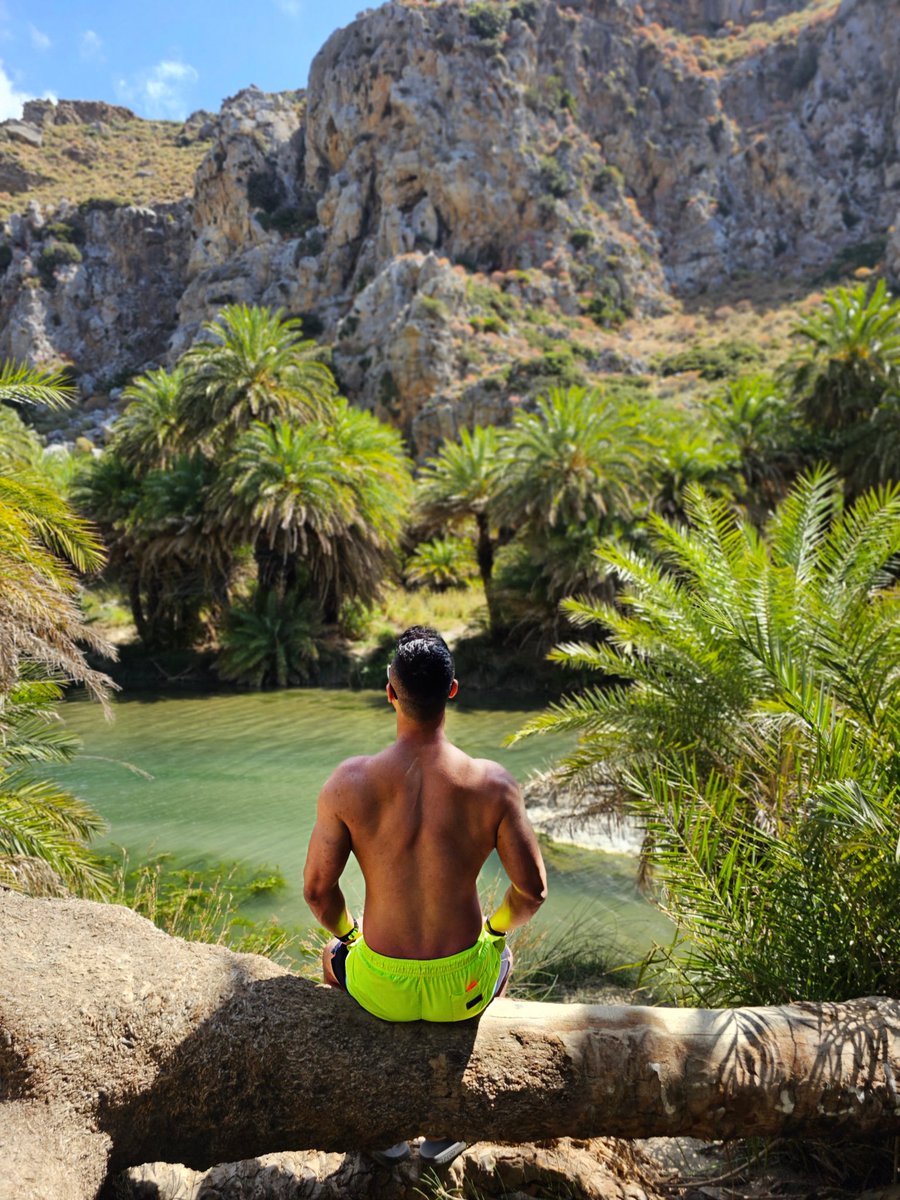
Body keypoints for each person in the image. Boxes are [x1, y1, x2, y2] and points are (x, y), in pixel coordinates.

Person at [303, 625, 547, 1168]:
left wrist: (349, 936)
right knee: (502, 955)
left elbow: (319, 893)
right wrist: (494, 931)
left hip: (380, 986)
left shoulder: (348, 782)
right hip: (463, 985)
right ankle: (444, 1128)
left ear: (390, 691)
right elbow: (532, 891)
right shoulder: (493, 784)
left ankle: (381, 1130)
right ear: (453, 691)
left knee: (331, 958)